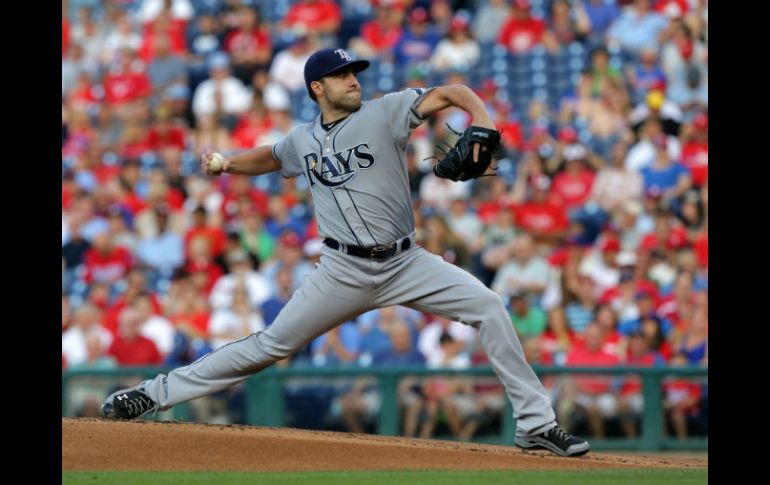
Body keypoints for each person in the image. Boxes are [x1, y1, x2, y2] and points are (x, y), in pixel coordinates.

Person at [102, 47, 590, 457]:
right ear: (317, 87)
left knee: (488, 306)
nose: (353, 80)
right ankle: (152, 394)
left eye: (354, 72)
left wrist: (480, 117)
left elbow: (450, 92)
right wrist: (228, 162)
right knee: (270, 345)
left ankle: (534, 424)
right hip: (341, 269)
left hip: (407, 261)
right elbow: (272, 157)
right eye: (341, 75)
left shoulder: (386, 111)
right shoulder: (303, 139)